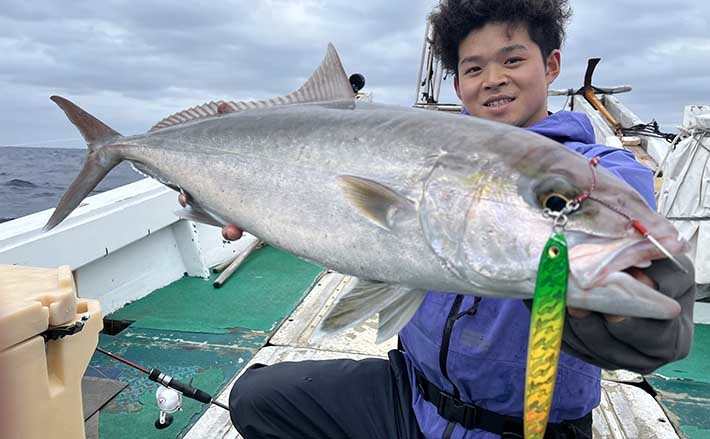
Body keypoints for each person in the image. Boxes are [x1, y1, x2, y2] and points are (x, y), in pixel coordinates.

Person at [183, 1, 696, 437]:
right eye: (473, 69)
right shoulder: (429, 150)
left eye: (512, 59)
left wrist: (641, 314)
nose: (493, 80)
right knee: (257, 397)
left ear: (552, 64)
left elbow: (620, 224)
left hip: (526, 424)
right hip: (414, 396)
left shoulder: (599, 168)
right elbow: (356, 218)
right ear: (456, 82)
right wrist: (249, 201)